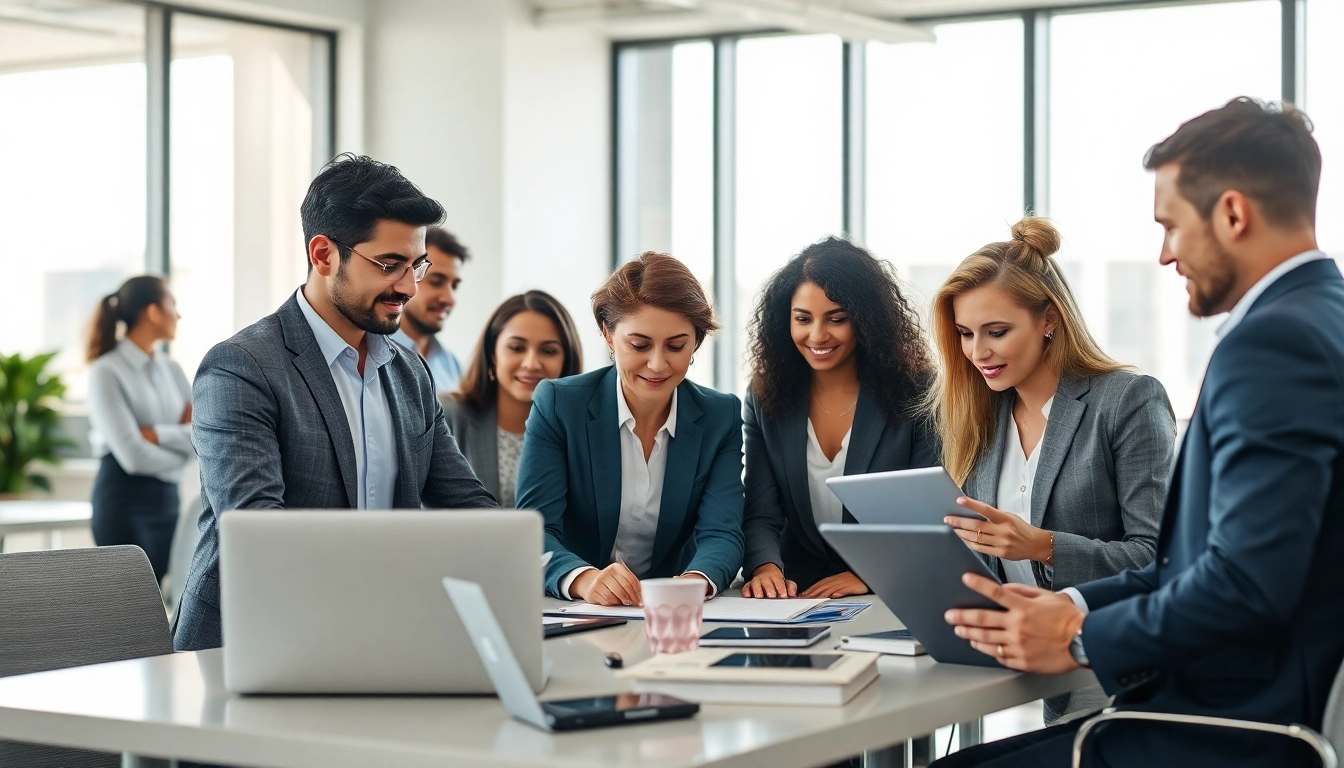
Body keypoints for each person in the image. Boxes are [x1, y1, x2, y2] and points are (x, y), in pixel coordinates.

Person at [936, 98, 1344, 768]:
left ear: (1233, 214)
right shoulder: (1322, 317)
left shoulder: (1274, 344)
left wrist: (1077, 640)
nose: (1163, 255)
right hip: (1255, 702)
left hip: (1236, 727)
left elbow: (1245, 583)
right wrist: (1064, 605)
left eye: (1172, 226)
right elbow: (1189, 568)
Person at [173, 154, 497, 652]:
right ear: (324, 255)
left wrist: (552, 571)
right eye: (389, 266)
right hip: (251, 645)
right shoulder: (242, 367)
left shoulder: (409, 373)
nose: (408, 288)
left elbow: (467, 503)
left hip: (376, 636)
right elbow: (258, 535)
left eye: (417, 266)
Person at [928, 217, 1176, 722]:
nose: (978, 353)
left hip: (1117, 680)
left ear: (1049, 319)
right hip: (1022, 668)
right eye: (965, 334)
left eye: (997, 332)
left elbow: (1159, 560)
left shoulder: (1126, 401)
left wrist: (1043, 545)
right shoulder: (981, 420)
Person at [516, 252, 744, 605]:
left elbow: (723, 533)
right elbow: (534, 531)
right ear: (608, 335)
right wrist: (584, 579)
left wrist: (693, 584)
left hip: (673, 612)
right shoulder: (560, 405)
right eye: (639, 345)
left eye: (676, 345)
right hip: (578, 612)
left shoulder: (721, 416)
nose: (657, 364)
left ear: (696, 341)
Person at [740, 237, 938, 600]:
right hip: (796, 592)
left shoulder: (919, 392)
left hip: (890, 589)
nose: (817, 335)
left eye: (837, 319)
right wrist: (766, 567)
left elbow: (930, 514)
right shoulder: (766, 396)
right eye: (803, 319)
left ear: (866, 321)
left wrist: (871, 574)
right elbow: (761, 512)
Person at [86, 275, 192, 582]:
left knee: (158, 598)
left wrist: (157, 435)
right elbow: (132, 456)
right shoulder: (106, 370)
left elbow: (201, 435)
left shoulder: (173, 370)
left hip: (167, 502)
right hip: (123, 501)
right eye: (172, 304)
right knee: (126, 608)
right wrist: (180, 456)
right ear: (153, 312)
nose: (178, 314)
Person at [440, 290, 583, 506]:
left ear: (567, 359)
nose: (531, 363)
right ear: (492, 353)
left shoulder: (581, 429)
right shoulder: (447, 415)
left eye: (549, 351)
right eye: (516, 348)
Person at [390, 226, 469, 391]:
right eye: (436, 282)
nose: (449, 298)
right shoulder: (369, 354)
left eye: (454, 286)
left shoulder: (453, 367)